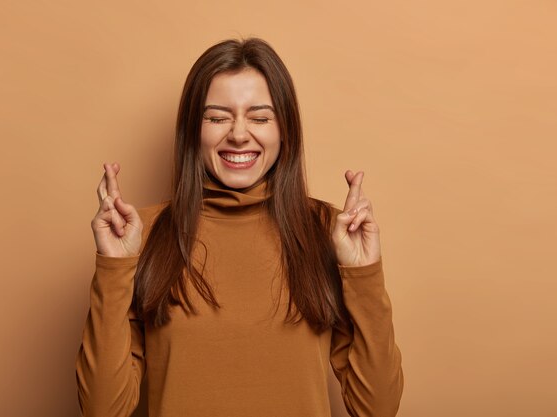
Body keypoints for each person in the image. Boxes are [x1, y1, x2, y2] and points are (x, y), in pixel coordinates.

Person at [75, 37, 404, 417]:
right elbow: (102, 410)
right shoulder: (141, 236)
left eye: (260, 117)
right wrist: (114, 267)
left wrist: (363, 274)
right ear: (192, 131)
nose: (238, 134)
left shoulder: (328, 233)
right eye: (217, 117)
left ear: (285, 131)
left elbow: (378, 407)